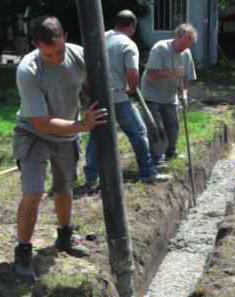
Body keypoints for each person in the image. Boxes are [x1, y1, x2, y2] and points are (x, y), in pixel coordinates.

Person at [13, 16, 108, 279]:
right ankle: (23, 252)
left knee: (64, 188)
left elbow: (97, 85)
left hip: (66, 134)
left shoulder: (80, 56)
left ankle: (65, 236)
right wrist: (82, 125)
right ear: (37, 45)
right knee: (33, 192)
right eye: (49, 54)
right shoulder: (28, 70)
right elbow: (42, 124)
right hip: (33, 133)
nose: (56, 58)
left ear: (65, 36)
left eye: (59, 51)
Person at [83, 10, 169, 189]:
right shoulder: (128, 44)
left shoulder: (100, 36)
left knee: (97, 136)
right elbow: (132, 73)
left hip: (97, 96)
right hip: (118, 97)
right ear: (132, 27)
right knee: (139, 132)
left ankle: (91, 177)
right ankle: (148, 173)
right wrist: (131, 89)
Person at [141, 23, 197, 168]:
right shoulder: (160, 48)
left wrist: (184, 94)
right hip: (152, 93)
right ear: (177, 37)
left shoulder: (186, 53)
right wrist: (172, 73)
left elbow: (186, 78)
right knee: (156, 127)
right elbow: (151, 74)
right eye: (183, 44)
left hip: (170, 95)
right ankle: (157, 157)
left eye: (188, 46)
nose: (184, 49)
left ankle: (171, 151)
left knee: (173, 126)